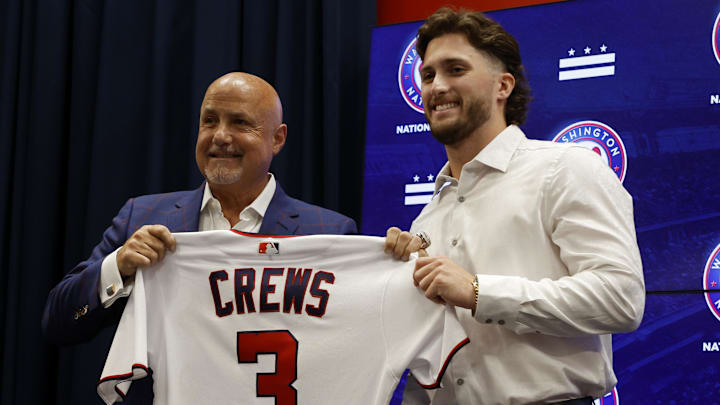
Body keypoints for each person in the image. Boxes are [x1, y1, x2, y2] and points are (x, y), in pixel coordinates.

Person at [384, 8, 644, 405]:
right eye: (428, 74)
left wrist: (477, 291)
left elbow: (620, 299)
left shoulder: (565, 169)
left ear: (502, 85)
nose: (436, 86)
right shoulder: (428, 215)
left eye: (455, 69)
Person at [42, 72, 357, 346]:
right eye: (209, 121)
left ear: (277, 139)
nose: (220, 136)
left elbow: (350, 345)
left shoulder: (328, 232)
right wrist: (118, 266)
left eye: (240, 123)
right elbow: (57, 323)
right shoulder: (142, 216)